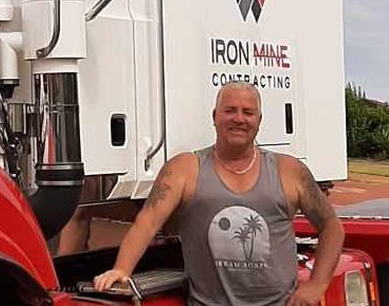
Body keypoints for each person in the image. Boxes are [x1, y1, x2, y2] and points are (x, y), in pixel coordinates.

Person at [93, 82, 343, 306]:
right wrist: (121, 269)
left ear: (259, 120)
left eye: (248, 112)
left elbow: (331, 227)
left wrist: (316, 286)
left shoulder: (289, 170)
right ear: (215, 116)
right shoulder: (185, 169)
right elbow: (147, 223)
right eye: (230, 110)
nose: (239, 119)